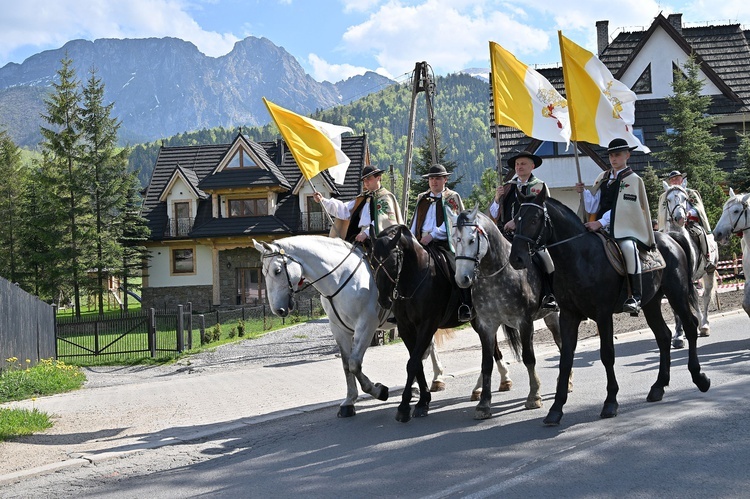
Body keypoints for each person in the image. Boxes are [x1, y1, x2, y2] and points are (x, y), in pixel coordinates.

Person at [575, 138, 654, 314]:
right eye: (611, 155)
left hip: (625, 228)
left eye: (617, 155)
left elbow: (624, 209)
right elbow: (594, 205)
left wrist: (600, 222)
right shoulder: (603, 177)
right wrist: (584, 193)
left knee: (628, 248)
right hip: (600, 227)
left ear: (627, 155)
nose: (613, 159)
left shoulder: (633, 180)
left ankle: (636, 296)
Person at [489, 150, 557, 310]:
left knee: (545, 258)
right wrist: (497, 199)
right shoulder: (507, 187)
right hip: (506, 235)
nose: (519, 167)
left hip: (531, 237)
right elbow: (493, 214)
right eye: (517, 164)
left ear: (532, 166)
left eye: (523, 164)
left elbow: (542, 211)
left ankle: (550, 294)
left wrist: (516, 221)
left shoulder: (539, 186)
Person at [409, 164, 472, 321]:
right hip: (421, 241)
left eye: (437, 178)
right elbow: (415, 221)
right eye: (431, 178)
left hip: (444, 242)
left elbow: (453, 222)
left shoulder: (452, 197)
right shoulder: (422, 198)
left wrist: (433, 235)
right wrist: (410, 239)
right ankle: (401, 308)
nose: (434, 182)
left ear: (445, 179)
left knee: (457, 268)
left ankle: (466, 304)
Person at [313, 164, 402, 247]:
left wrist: (366, 233)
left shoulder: (385, 197)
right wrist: (323, 200)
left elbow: (384, 221)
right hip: (359, 237)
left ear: (378, 178)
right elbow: (344, 210)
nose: (366, 182)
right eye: (364, 180)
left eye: (369, 178)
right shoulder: (362, 198)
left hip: (377, 240)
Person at [657, 170, 716, 273]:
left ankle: (708, 259)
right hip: (670, 224)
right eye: (672, 179)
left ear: (682, 180)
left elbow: (698, 207)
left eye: (677, 178)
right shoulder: (664, 196)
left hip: (689, 222)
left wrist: (689, 214)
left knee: (700, 233)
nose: (675, 181)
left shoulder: (690, 193)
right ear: (670, 182)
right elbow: (662, 212)